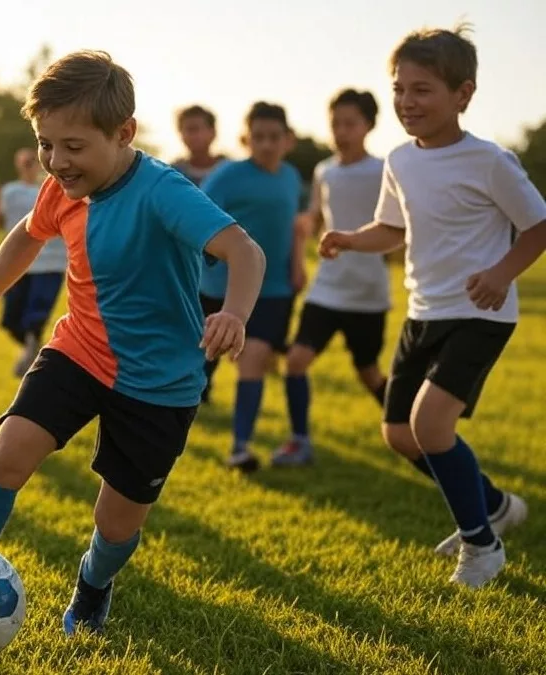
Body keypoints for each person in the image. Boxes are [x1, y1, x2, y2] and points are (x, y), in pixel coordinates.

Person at [0, 50, 265, 639]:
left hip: (160, 382)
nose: (56, 161)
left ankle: (93, 588)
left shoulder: (164, 191)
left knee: (116, 525)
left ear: (124, 133)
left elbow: (245, 251)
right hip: (79, 351)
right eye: (46, 144)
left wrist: (236, 312)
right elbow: (24, 236)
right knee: (6, 456)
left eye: (73, 146)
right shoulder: (60, 188)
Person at [319, 25, 544, 587]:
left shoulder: (490, 160)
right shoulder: (399, 161)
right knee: (398, 433)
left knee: (430, 424)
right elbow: (392, 229)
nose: (406, 102)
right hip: (423, 312)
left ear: (462, 94)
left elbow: (538, 227)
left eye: (422, 90)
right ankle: (492, 505)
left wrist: (500, 274)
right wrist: (349, 238)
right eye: (399, 89)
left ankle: (482, 545)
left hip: (480, 314)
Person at [273, 89, 390, 466]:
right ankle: (299, 441)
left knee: (368, 372)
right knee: (296, 362)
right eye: (335, 123)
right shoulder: (325, 171)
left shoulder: (383, 171)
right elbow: (318, 215)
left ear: (369, 126)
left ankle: (410, 431)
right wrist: (306, 224)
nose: (341, 131)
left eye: (350, 123)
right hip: (327, 287)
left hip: (369, 290)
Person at [199, 102, 306, 472]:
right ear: (246, 139)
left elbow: (294, 225)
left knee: (254, 360)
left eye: (274, 137)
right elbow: (197, 216)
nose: (266, 145)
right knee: (195, 365)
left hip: (274, 289)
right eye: (258, 137)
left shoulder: (291, 177)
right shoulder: (227, 176)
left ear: (288, 140)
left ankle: (240, 447)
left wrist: (297, 265)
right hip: (217, 288)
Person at [0, 147, 67, 376]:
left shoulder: (57, 190)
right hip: (18, 263)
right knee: (9, 318)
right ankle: (32, 349)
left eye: (33, 162)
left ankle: (33, 350)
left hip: (51, 263)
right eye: (25, 162)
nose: (30, 166)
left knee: (36, 315)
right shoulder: (9, 192)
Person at [171, 105, 226, 184]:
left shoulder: (229, 171)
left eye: (196, 129)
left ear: (213, 132)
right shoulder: (174, 174)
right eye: (188, 130)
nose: (192, 136)